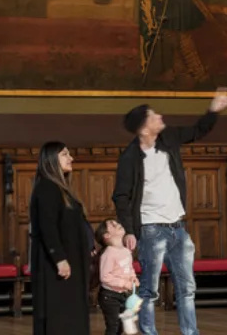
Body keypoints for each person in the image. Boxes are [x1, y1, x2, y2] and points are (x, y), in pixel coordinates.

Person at [112, 89, 227, 335]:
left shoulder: (169, 138)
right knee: (149, 289)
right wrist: (130, 231)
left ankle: (191, 332)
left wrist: (213, 110)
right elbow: (121, 196)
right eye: (153, 115)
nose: (160, 116)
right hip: (150, 228)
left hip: (178, 227)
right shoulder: (130, 157)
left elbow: (198, 130)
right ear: (144, 127)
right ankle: (149, 332)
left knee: (187, 287)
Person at [29, 142, 90, 335]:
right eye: (65, 154)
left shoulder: (61, 189)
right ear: (51, 160)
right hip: (56, 265)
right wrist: (59, 259)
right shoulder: (46, 188)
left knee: (71, 315)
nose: (71, 158)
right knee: (58, 317)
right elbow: (48, 227)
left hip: (72, 261)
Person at [94, 220, 141, 335]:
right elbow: (105, 277)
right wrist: (125, 284)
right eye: (113, 225)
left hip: (123, 295)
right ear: (106, 236)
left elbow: (129, 269)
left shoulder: (126, 251)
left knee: (120, 327)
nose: (118, 224)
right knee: (113, 327)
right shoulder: (108, 254)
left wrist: (133, 278)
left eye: (117, 223)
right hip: (109, 297)